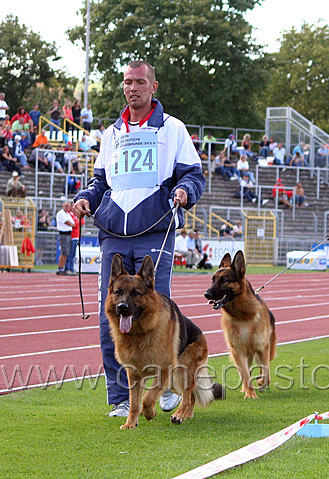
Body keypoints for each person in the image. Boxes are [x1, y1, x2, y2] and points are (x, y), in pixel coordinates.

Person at [72, 60, 205, 418]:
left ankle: (166, 389)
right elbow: (100, 182)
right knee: (111, 318)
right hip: (113, 233)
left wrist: (184, 192)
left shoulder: (173, 129)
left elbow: (194, 175)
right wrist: (86, 198)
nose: (133, 88)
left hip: (154, 230)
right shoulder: (111, 133)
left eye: (140, 82)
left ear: (154, 87)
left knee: (159, 316)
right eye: (127, 82)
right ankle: (119, 399)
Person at [56, 201, 75, 275]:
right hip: (64, 234)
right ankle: (60, 267)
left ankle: (62, 267)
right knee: (64, 252)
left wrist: (72, 224)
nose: (67, 207)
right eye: (66, 206)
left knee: (66, 252)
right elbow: (69, 223)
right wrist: (71, 224)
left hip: (68, 234)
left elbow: (74, 223)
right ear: (63, 206)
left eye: (68, 206)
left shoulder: (67, 214)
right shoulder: (61, 213)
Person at [64, 208, 84, 275]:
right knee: (69, 253)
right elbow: (74, 224)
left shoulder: (76, 215)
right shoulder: (69, 215)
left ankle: (71, 268)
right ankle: (68, 268)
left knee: (73, 254)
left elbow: (81, 223)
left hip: (76, 236)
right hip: (72, 236)